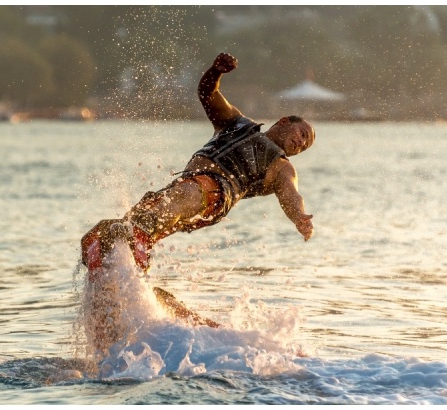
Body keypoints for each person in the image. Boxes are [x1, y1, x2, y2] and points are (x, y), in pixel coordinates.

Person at [81, 52, 315, 276]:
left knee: (155, 216)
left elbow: (291, 195)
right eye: (303, 134)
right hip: (184, 189)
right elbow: (207, 93)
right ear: (284, 121)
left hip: (216, 194)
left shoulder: (282, 167)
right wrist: (215, 72)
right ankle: (121, 279)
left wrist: (300, 217)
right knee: (118, 229)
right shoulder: (237, 122)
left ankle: (139, 240)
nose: (301, 143)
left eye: (305, 146)